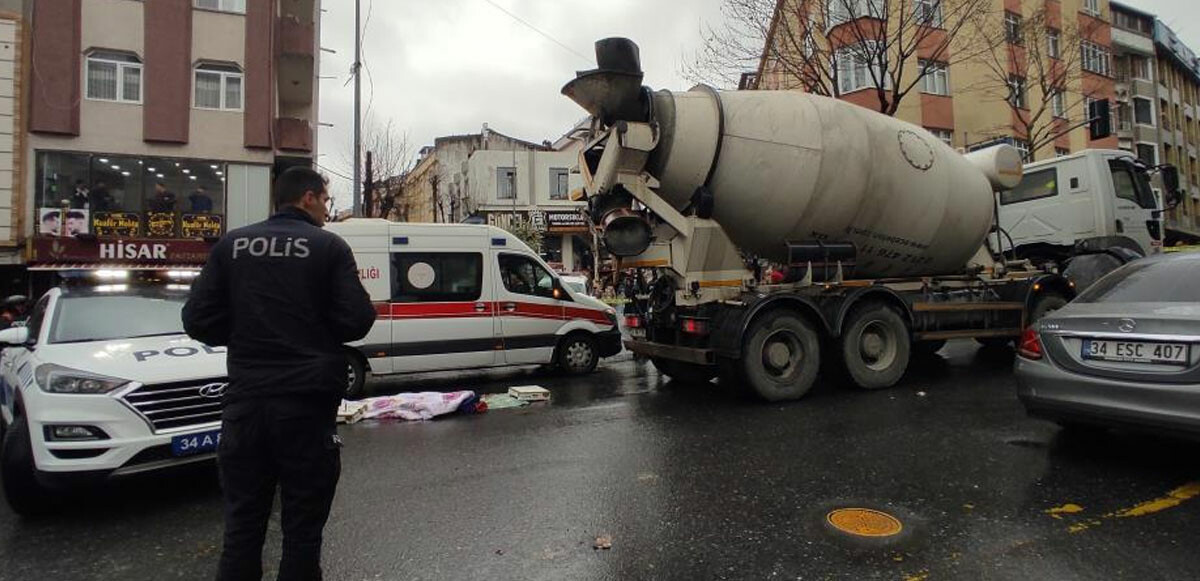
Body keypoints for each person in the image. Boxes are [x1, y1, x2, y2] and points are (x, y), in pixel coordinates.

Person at [183, 167, 376, 581]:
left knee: (241, 531)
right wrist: (315, 327)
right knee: (302, 534)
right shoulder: (328, 248)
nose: (327, 208)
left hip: (246, 405)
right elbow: (357, 320)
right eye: (325, 199)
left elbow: (198, 320)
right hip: (306, 409)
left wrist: (243, 331)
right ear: (307, 197)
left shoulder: (231, 245)